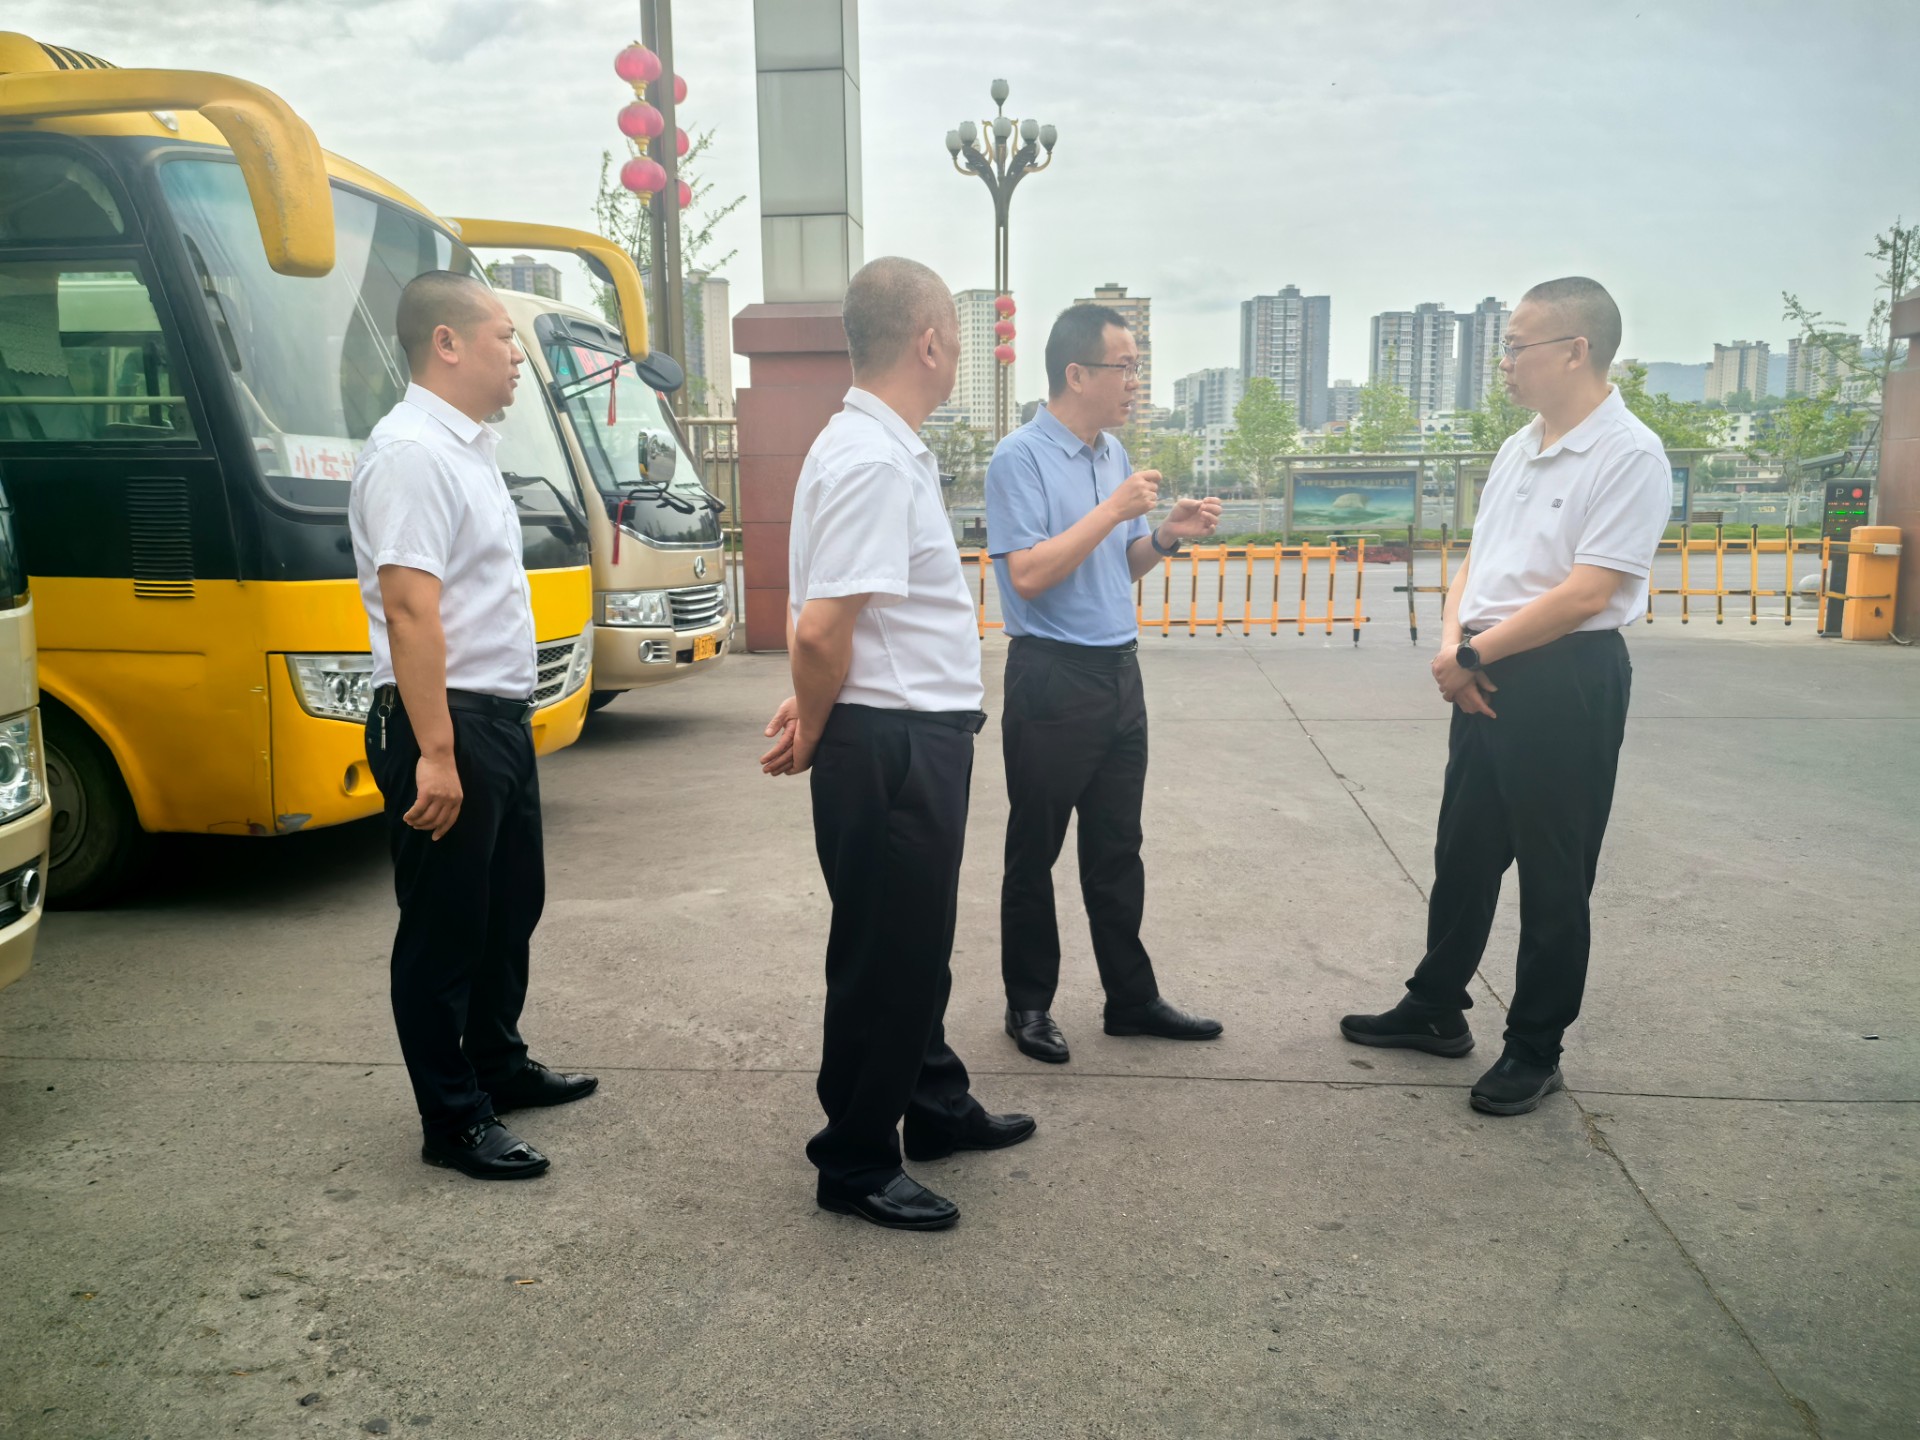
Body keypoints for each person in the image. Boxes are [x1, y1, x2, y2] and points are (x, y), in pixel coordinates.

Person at [1340, 276, 1670, 1115]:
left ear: (1576, 350)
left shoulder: (1628, 454)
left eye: (1517, 346)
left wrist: (1473, 652)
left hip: (1565, 678)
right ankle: (1436, 1005)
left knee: (1555, 871)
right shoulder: (1519, 446)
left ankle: (1534, 1047)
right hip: (1482, 668)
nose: (1505, 363)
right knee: (1465, 850)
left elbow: (1589, 592)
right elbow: (1475, 566)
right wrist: (1455, 647)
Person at [760, 257, 1034, 1233]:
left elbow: (828, 623)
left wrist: (814, 704)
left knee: (915, 945)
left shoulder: (876, 447)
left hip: (905, 731)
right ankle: (856, 1158)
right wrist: (816, 719)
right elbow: (818, 632)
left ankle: (934, 1102)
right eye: (955, 337)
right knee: (886, 958)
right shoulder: (872, 459)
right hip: (891, 742)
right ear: (927, 342)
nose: (958, 353)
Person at [350, 271, 596, 1180]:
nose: (518, 354)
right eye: (503, 335)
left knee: (507, 907)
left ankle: (496, 1063)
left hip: (495, 718)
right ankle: (452, 1120)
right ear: (446, 343)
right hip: (443, 722)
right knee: (444, 930)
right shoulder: (410, 452)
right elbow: (409, 610)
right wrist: (438, 754)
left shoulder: (467, 448)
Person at [985, 304, 1225, 1066]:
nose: (1134, 382)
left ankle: (1131, 998)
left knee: (1119, 847)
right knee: (1035, 850)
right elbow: (1029, 574)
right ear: (1076, 373)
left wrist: (1164, 536)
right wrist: (1112, 509)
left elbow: (1116, 563)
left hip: (1119, 672)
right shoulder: (1018, 458)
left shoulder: (1111, 452)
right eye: (1124, 367)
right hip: (1052, 677)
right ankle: (1028, 1004)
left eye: (1137, 368)